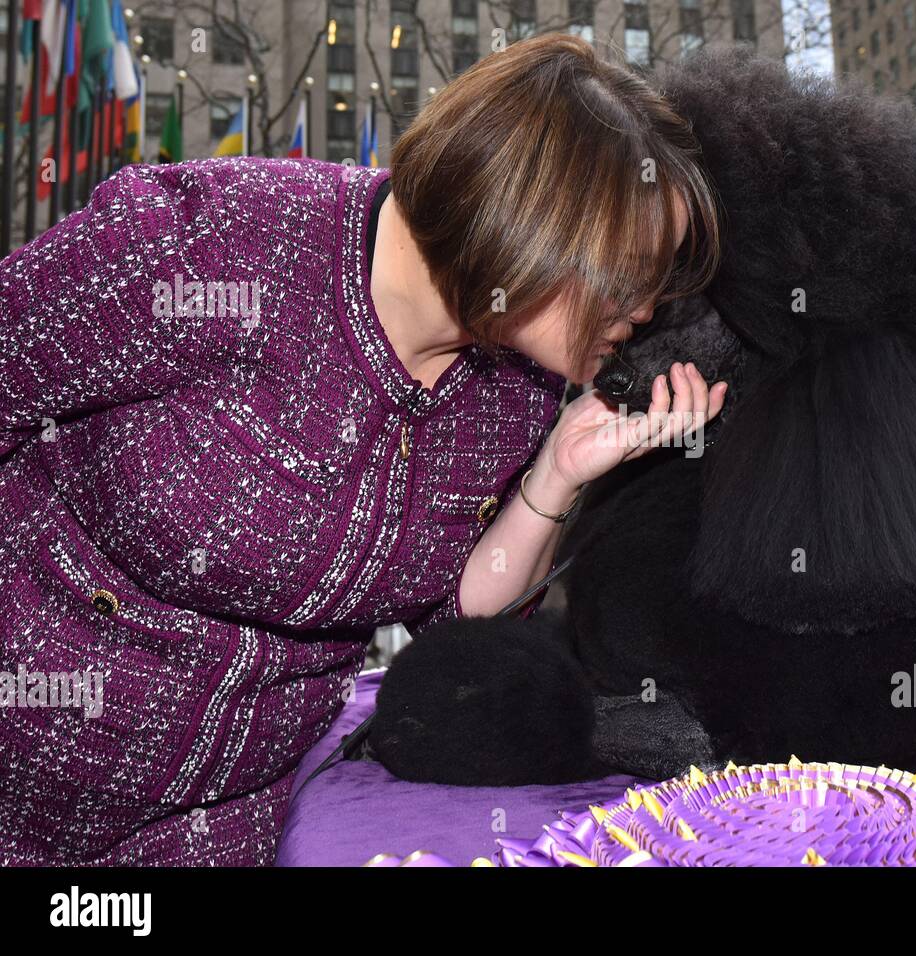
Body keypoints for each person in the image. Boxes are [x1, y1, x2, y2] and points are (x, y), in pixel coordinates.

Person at [0, 33, 726, 865]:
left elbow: (458, 626)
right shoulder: (222, 243)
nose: (645, 309)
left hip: (210, 835)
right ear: (540, 220)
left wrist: (557, 473)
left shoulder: (520, 392)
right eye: (633, 272)